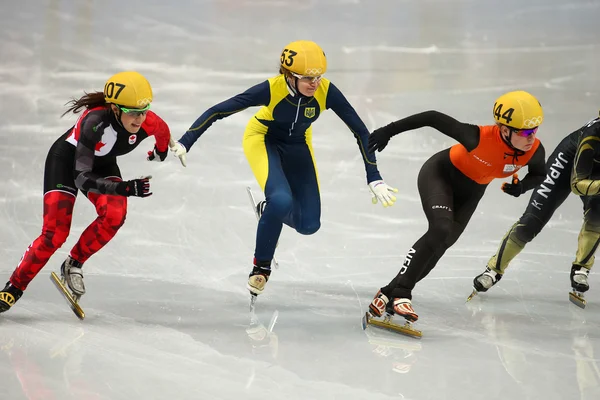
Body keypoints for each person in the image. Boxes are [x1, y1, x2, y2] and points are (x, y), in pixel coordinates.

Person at [170, 40, 397, 297]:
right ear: (288, 75)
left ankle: (268, 211)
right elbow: (218, 110)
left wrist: (374, 176)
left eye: (319, 77)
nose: (315, 83)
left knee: (309, 225)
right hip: (263, 139)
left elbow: (360, 131)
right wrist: (187, 141)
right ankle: (261, 268)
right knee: (280, 199)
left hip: (298, 144)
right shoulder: (271, 89)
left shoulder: (326, 91)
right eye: (307, 78)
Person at [367, 90, 546, 323]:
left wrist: (522, 187)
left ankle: (387, 293)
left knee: (441, 244)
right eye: (524, 131)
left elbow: (539, 174)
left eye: (534, 130)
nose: (531, 137)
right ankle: (402, 293)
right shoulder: (477, 137)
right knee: (440, 229)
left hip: (471, 192)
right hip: (441, 174)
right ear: (504, 129)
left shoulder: (534, 150)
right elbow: (432, 117)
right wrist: (387, 131)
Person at [0, 71, 172, 313]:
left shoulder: (148, 120)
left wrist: (160, 151)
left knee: (115, 214)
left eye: (143, 111)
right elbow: (82, 178)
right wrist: (124, 188)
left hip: (101, 165)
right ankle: (13, 288)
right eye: (133, 112)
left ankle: (73, 263)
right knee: (55, 234)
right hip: (68, 163)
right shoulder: (95, 122)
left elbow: (162, 131)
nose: (140, 119)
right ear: (114, 108)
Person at [471, 116, 600, 304]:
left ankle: (581, 269)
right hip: (569, 163)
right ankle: (493, 270)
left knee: (597, 216)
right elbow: (577, 185)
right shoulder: (592, 137)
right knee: (532, 220)